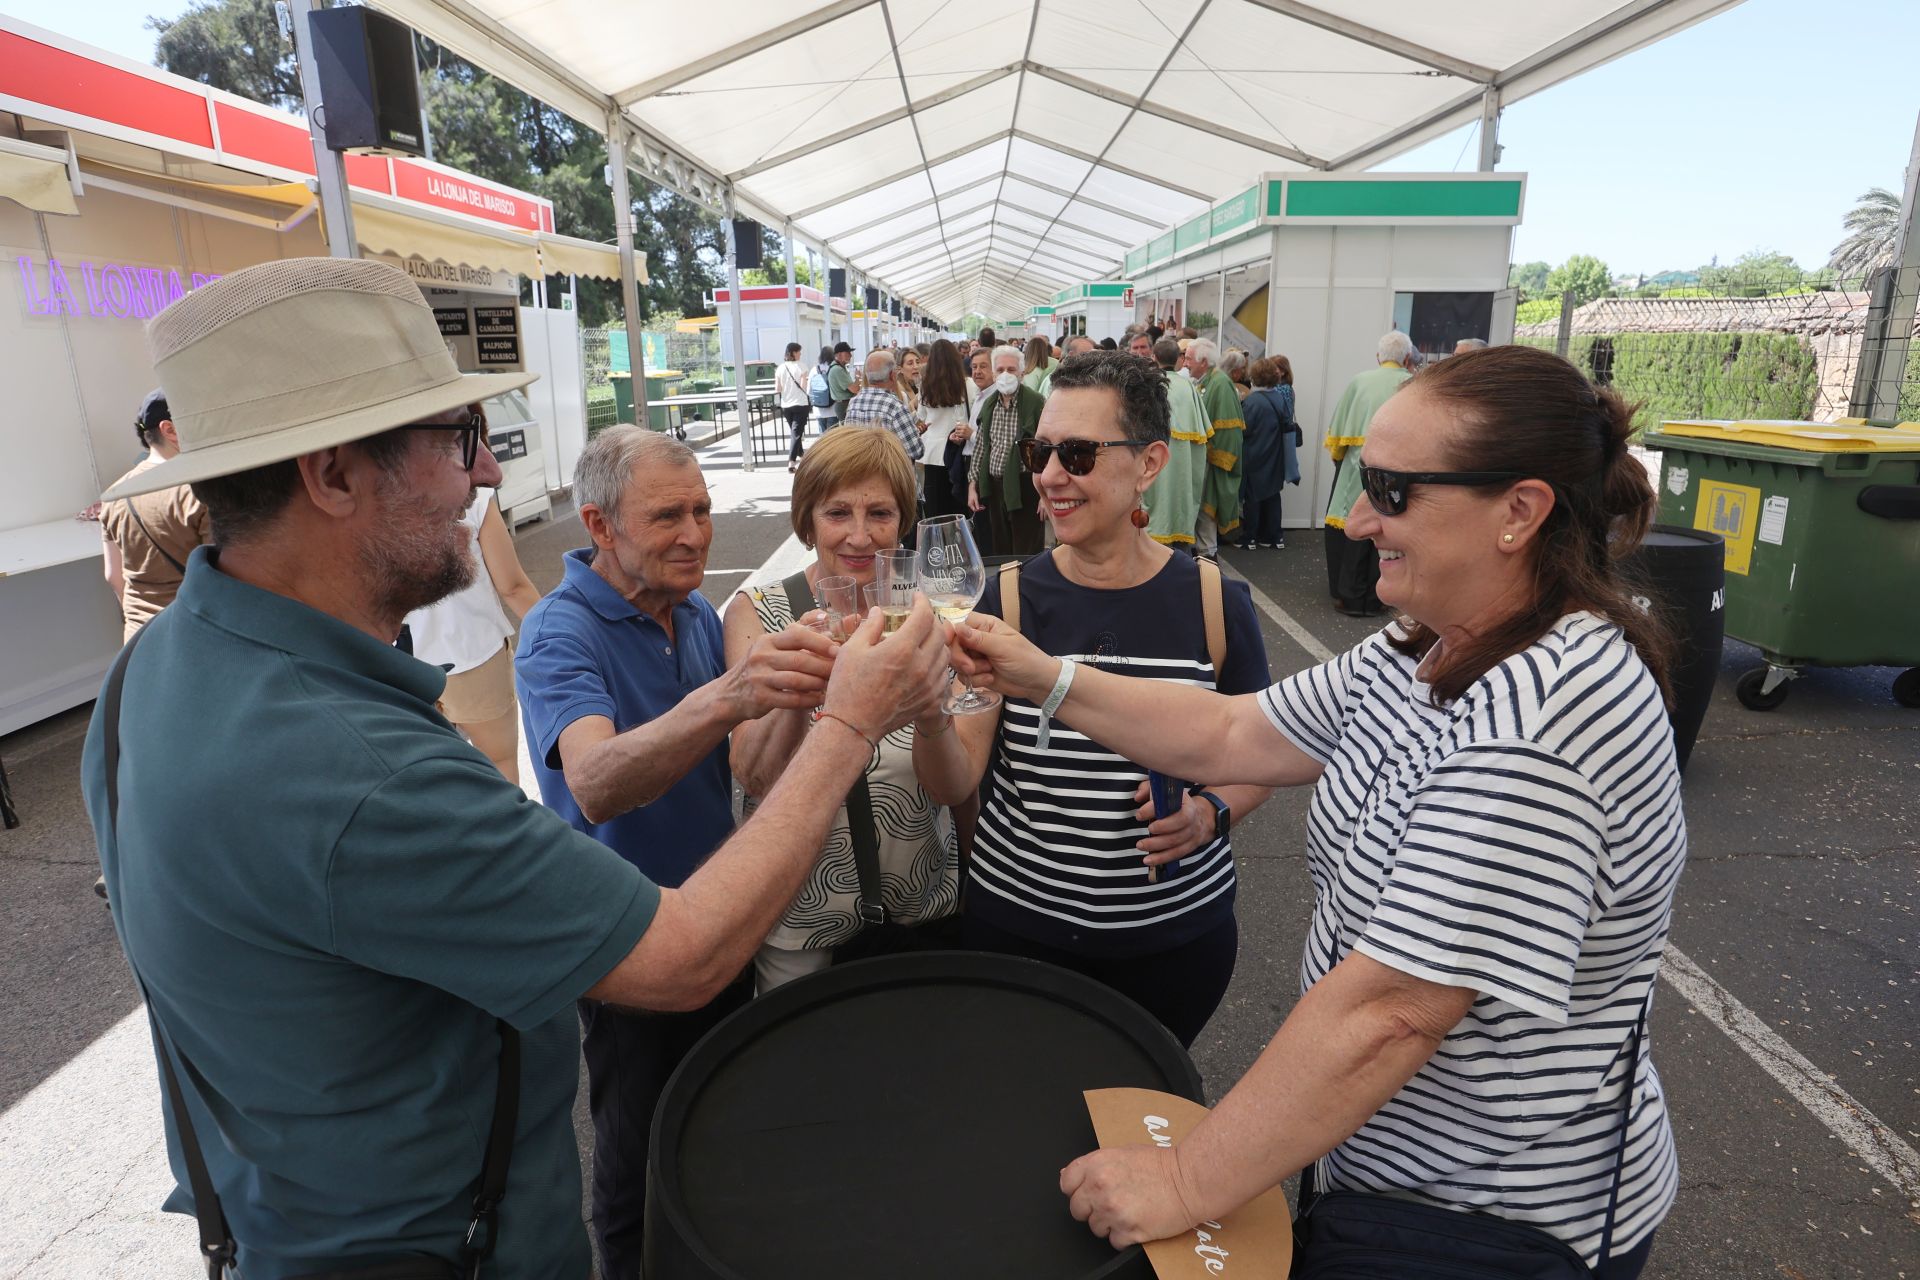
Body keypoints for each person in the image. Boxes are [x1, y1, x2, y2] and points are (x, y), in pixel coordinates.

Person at [83, 258, 950, 1280]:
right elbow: (679, 951)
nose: (490, 473)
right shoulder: (356, 766)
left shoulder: (156, 664)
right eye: (459, 442)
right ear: (332, 474)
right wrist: (850, 720)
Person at [963, 344, 1683, 1280]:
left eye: (1390, 489)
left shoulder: (1546, 714)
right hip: (1389, 1166)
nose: (1352, 518)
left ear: (1520, 512)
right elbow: (1233, 736)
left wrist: (1186, 1183)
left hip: (1490, 1219)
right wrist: (1041, 674)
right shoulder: (1431, 644)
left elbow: (1392, 1011)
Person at [514, 423, 936, 1275]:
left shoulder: (695, 611)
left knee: (714, 1124)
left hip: (722, 923)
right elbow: (595, 781)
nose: (697, 534)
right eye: (668, 516)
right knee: (634, 1156)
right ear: (598, 526)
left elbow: (750, 770)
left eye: (703, 510)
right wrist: (734, 695)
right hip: (629, 940)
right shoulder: (559, 632)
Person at [919, 351, 1272, 1048]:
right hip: (1020, 928)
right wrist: (927, 711)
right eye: (1040, 451)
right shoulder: (1007, 598)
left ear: (1148, 463)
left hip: (1175, 939)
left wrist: (1210, 811)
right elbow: (953, 780)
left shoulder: (1213, 602)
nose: (1050, 476)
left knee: (1144, 1121)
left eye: (1077, 454)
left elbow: (1266, 753)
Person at [725, 428, 960, 991]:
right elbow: (753, 776)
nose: (860, 536)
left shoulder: (936, 610)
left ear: (904, 521)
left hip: (924, 904)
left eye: (880, 512)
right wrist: (799, 694)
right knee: (801, 1070)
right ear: (807, 522)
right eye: (837, 513)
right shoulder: (759, 613)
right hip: (799, 914)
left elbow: (958, 787)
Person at [402, 471, 542, 783]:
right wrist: (562, 636)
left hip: (406, 670)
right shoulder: (472, 494)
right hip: (475, 656)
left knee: (433, 780)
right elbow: (513, 587)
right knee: (500, 765)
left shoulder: (365, 499)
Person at [101, 390, 212, 642]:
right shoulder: (198, 490)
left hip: (139, 637)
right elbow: (220, 574)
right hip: (193, 632)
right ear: (170, 430)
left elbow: (113, 576)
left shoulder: (114, 495)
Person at [1324, 330, 1418, 616]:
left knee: (1353, 532)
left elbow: (1337, 438)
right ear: (1406, 358)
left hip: (1357, 471)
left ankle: (1348, 596)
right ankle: (1380, 598)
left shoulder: (1359, 382)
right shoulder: (1414, 385)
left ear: (1379, 357)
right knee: (1388, 535)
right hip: (1401, 475)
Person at [967, 344, 1046, 557]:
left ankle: (1027, 588)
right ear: (994, 372)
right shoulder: (990, 404)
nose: (1005, 375)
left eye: (1011, 370)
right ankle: (1007, 589)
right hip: (995, 487)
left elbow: (1046, 449)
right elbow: (982, 447)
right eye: (1000, 370)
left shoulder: (1035, 402)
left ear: (1021, 372)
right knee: (1001, 548)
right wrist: (973, 485)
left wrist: (1045, 495)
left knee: (1027, 548)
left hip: (1026, 485)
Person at [1142, 337, 1206, 551]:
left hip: (1153, 464)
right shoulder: (1188, 387)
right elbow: (1202, 436)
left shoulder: (1148, 385)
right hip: (1181, 468)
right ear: (1178, 359)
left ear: (1154, 357)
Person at [1233, 356, 1301, 552]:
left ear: (1254, 377)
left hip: (1254, 454)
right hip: (1277, 454)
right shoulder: (1279, 398)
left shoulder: (1252, 402)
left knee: (1252, 498)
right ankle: (1275, 536)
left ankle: (1250, 537)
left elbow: (1244, 429)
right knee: (1273, 496)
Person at [1188, 339, 1245, 556]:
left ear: (1203, 362)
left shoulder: (1220, 383)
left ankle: (1207, 559)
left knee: (1206, 513)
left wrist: (1216, 459)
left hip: (1210, 463)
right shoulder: (1208, 380)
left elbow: (1229, 431)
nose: (1185, 363)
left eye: (1189, 358)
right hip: (1202, 461)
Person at [916, 338, 972, 521]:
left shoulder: (925, 386)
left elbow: (921, 416)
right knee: (958, 508)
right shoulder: (967, 385)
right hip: (958, 450)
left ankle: (937, 546)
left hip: (931, 452)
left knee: (935, 510)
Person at [843, 350, 925, 462]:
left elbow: (848, 443)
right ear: (892, 375)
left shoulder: (853, 403)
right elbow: (916, 451)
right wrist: (916, 432)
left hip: (860, 471)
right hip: (890, 474)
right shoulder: (895, 406)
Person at [777, 340, 814, 471]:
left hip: (786, 405)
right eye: (799, 352)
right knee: (796, 433)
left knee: (795, 432)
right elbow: (804, 386)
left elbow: (778, 388)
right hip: (800, 404)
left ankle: (802, 455)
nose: (800, 354)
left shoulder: (780, 367)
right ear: (793, 352)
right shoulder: (802, 366)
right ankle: (791, 462)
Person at [827, 340, 857, 426]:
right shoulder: (838, 369)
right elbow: (854, 389)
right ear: (839, 354)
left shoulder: (838, 367)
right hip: (844, 405)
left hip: (843, 404)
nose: (850, 355)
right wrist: (858, 378)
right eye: (848, 352)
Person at [898, 347, 924, 416]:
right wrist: (912, 404)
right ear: (900, 369)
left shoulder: (922, 384)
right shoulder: (899, 390)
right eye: (910, 363)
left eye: (918, 362)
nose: (916, 366)